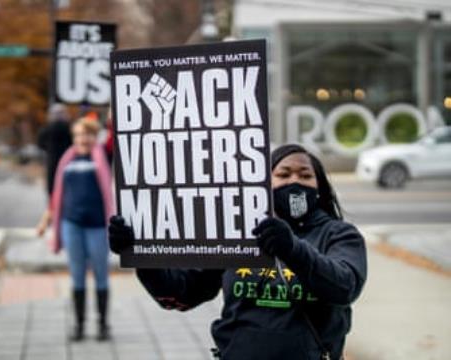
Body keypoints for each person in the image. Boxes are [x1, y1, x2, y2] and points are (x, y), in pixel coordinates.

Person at [108, 144, 368, 359]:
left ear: (319, 186)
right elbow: (182, 293)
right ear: (263, 184)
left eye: (305, 175)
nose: (294, 181)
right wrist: (140, 254)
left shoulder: (340, 234)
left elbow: (345, 287)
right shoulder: (238, 233)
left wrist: (292, 249)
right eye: (284, 174)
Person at [37, 117, 114, 341]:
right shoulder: (66, 160)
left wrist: (112, 113)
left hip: (98, 226)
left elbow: (114, 136)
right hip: (71, 225)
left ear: (94, 136)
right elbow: (57, 196)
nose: (83, 139)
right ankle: (79, 325)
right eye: (79, 135)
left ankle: (103, 325)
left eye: (87, 134)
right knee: (77, 277)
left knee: (101, 276)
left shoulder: (103, 157)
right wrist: (44, 222)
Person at [37, 103, 73, 196]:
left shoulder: (46, 129)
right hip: (68, 159)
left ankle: (53, 206)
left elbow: (40, 144)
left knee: (53, 186)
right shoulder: (69, 128)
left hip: (52, 160)